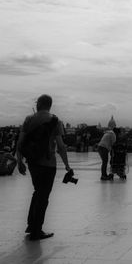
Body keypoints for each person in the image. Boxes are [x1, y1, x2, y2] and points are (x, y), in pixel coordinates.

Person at [16, 94, 71, 241]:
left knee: (38, 192)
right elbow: (60, 146)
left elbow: (20, 143)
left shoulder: (29, 119)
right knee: (43, 196)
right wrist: (67, 165)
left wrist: (19, 161)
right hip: (48, 163)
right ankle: (36, 230)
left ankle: (31, 225)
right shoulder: (55, 120)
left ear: (39, 104)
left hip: (33, 162)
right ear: (50, 105)